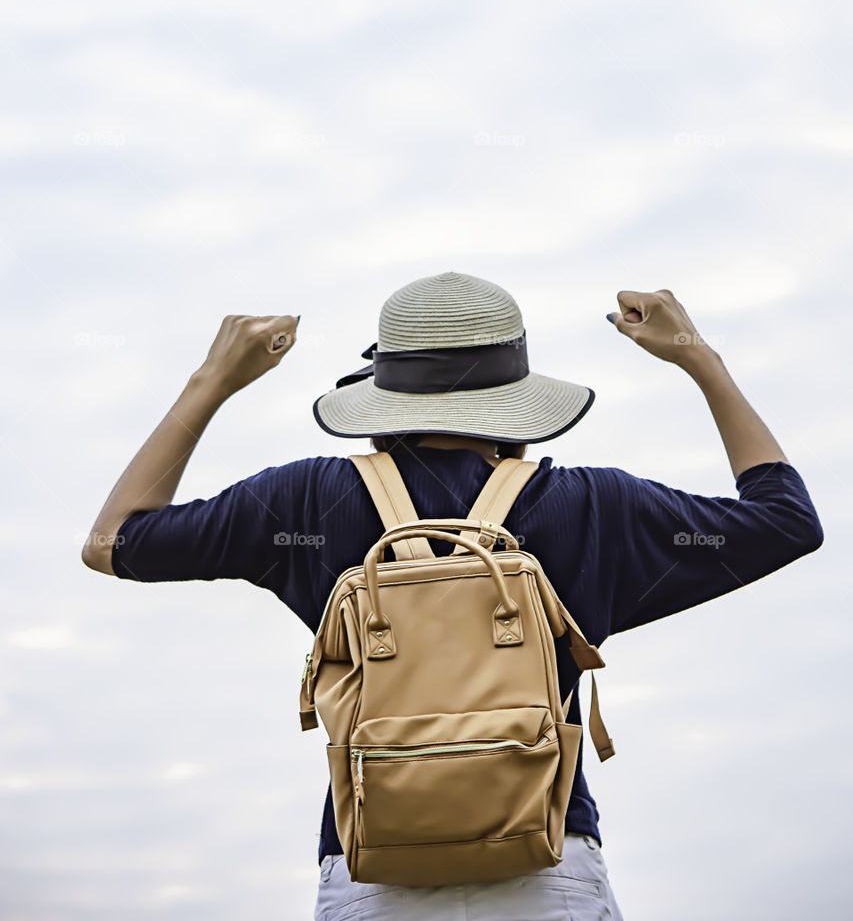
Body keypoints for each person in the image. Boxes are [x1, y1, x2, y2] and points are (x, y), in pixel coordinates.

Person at [82, 272, 824, 920]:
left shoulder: (303, 500)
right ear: (520, 403)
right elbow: (785, 524)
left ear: (381, 396)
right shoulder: (592, 506)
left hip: (371, 866)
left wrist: (214, 378)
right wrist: (699, 358)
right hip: (547, 863)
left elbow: (113, 543)